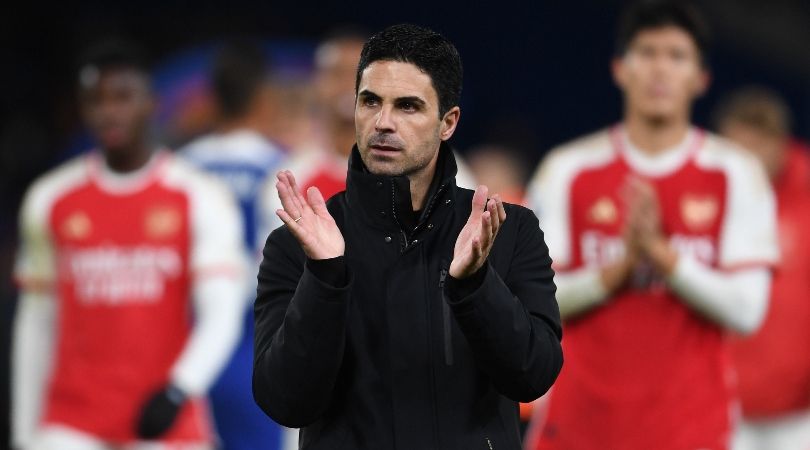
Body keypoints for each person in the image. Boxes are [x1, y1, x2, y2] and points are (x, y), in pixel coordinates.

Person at [253, 24, 562, 450]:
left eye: (408, 107)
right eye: (370, 102)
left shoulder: (510, 231)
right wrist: (325, 279)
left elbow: (534, 375)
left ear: (448, 122)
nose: (383, 123)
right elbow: (283, 402)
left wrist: (474, 286)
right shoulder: (297, 243)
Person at [525, 2, 778, 450]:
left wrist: (662, 255)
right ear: (620, 69)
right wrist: (616, 271)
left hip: (693, 429)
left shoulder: (735, 173)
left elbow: (747, 311)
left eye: (676, 55)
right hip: (579, 427)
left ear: (701, 78)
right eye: (646, 52)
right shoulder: (568, 169)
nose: (660, 69)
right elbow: (533, 299)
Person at [11, 40, 245, 450]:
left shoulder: (197, 195)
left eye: (122, 97)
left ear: (151, 102)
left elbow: (222, 311)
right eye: (94, 101)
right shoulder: (50, 198)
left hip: (166, 420)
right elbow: (36, 320)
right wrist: (24, 432)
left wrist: (179, 388)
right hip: (71, 422)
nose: (108, 112)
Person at [179, 39, 288, 450]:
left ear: (213, 97)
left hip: (185, 348)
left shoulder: (179, 169)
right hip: (253, 350)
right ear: (263, 97)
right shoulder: (281, 169)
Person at [259, 28, 477, 235]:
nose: (348, 85)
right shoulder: (295, 176)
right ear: (317, 84)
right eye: (337, 74)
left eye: (358, 74)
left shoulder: (436, 166)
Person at [714, 87, 810, 450]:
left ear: (780, 144)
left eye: (755, 148)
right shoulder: (703, 198)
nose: (744, 161)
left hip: (801, 415)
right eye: (735, 149)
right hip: (725, 406)